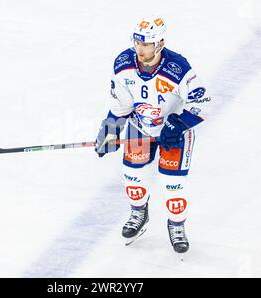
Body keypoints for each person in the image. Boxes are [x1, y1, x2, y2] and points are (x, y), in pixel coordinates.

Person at [95, 16, 212, 255]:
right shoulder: (124, 63)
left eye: (146, 44)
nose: (140, 49)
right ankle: (139, 213)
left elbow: (203, 102)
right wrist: (111, 129)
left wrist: (179, 124)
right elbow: (122, 104)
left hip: (174, 134)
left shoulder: (177, 68)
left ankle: (176, 225)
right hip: (141, 128)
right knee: (132, 177)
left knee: (173, 184)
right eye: (138, 43)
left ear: (159, 44)